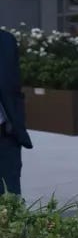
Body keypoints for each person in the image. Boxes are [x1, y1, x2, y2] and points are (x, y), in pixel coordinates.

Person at [0, 29, 33, 195]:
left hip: (6, 138)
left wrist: (17, 124)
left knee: (11, 207)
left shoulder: (6, 40)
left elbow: (14, 88)